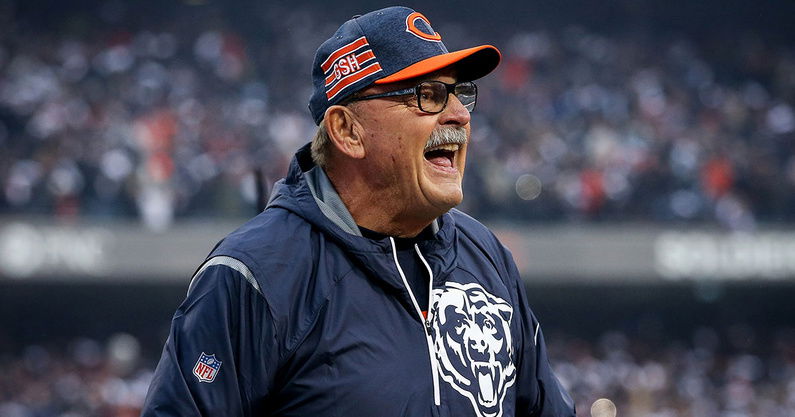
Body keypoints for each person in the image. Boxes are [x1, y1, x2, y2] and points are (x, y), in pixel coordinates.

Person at [142, 6, 576, 417]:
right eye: (429, 95)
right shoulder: (254, 274)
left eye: (460, 94)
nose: (461, 115)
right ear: (347, 131)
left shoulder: (486, 257)